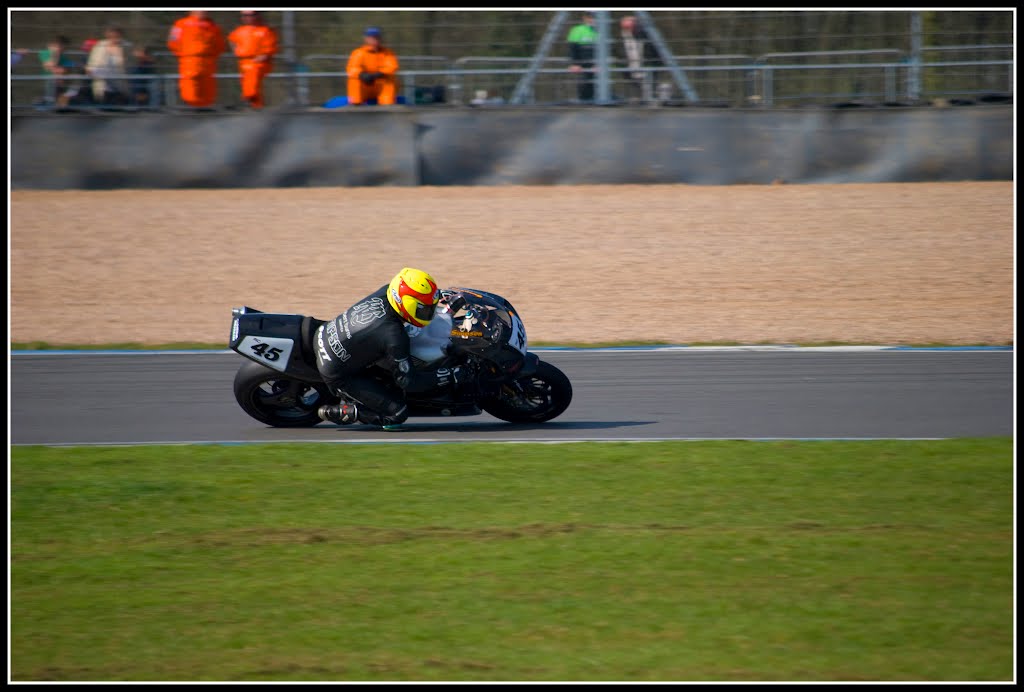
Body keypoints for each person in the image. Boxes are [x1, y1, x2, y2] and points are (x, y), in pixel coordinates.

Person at [315, 268, 463, 430]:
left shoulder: (388, 291)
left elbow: (414, 294)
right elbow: (409, 382)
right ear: (407, 304)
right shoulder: (393, 336)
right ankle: (343, 412)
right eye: (425, 308)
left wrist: (441, 295)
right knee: (397, 414)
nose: (429, 311)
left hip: (324, 332)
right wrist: (449, 376)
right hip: (337, 373)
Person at [167, 10, 226, 108]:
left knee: (208, 94)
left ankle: (205, 113)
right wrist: (185, 56)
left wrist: (211, 57)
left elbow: (220, 45)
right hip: (189, 62)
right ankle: (192, 111)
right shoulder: (181, 24)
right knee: (190, 93)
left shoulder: (213, 26)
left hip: (208, 64)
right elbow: (173, 42)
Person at [228, 10, 278, 109]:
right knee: (249, 83)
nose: (248, 17)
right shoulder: (240, 30)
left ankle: (246, 99)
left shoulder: (265, 30)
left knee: (252, 76)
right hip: (244, 61)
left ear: (257, 15)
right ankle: (256, 106)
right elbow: (231, 40)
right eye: (245, 15)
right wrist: (236, 50)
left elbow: (270, 47)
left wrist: (264, 55)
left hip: (259, 62)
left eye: (251, 15)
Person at [346, 26, 399, 106]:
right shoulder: (358, 53)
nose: (374, 39)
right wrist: (362, 75)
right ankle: (355, 103)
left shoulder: (388, 53)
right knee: (354, 80)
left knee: (389, 80)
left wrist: (377, 75)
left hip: (380, 84)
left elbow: (391, 67)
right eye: (371, 37)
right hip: (365, 84)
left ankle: (387, 104)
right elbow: (352, 68)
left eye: (377, 37)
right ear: (366, 39)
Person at [617, 15, 660, 104]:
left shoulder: (643, 36)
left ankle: (649, 98)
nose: (628, 29)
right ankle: (638, 98)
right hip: (632, 68)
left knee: (649, 89)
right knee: (637, 90)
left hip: (645, 66)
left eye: (630, 26)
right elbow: (621, 53)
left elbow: (651, 52)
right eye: (626, 27)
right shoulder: (623, 38)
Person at [85, 25, 130, 105]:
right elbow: (91, 64)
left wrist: (120, 53)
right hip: (102, 86)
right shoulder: (100, 45)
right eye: (111, 36)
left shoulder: (126, 46)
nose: (114, 38)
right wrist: (90, 70)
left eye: (116, 36)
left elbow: (129, 67)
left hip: (119, 86)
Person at [567, 11, 598, 102]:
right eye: (590, 17)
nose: (592, 20)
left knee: (594, 87)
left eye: (593, 17)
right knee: (583, 86)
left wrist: (597, 64)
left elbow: (599, 50)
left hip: (593, 66)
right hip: (581, 65)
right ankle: (583, 102)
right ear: (585, 18)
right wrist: (574, 64)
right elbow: (572, 48)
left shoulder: (598, 31)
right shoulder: (577, 30)